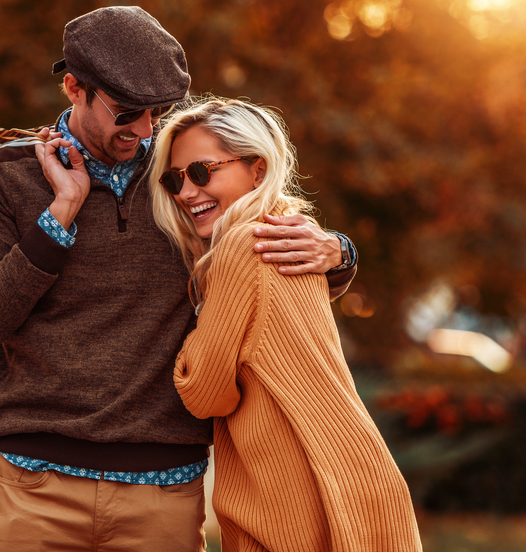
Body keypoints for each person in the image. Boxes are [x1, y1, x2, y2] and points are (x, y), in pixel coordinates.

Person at [0, 6, 357, 552]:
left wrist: (338, 251)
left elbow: (262, 251)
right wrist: (60, 215)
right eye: (127, 112)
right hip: (33, 489)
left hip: (163, 497)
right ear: (74, 87)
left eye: (156, 112)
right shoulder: (7, 173)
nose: (143, 130)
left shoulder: (183, 176)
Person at [149, 98, 422, 552]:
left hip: (300, 503)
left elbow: (203, 391)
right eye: (175, 179)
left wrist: (188, 341)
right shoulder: (294, 233)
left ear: (257, 169)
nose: (186, 192)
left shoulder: (242, 244)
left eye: (202, 172)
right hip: (351, 482)